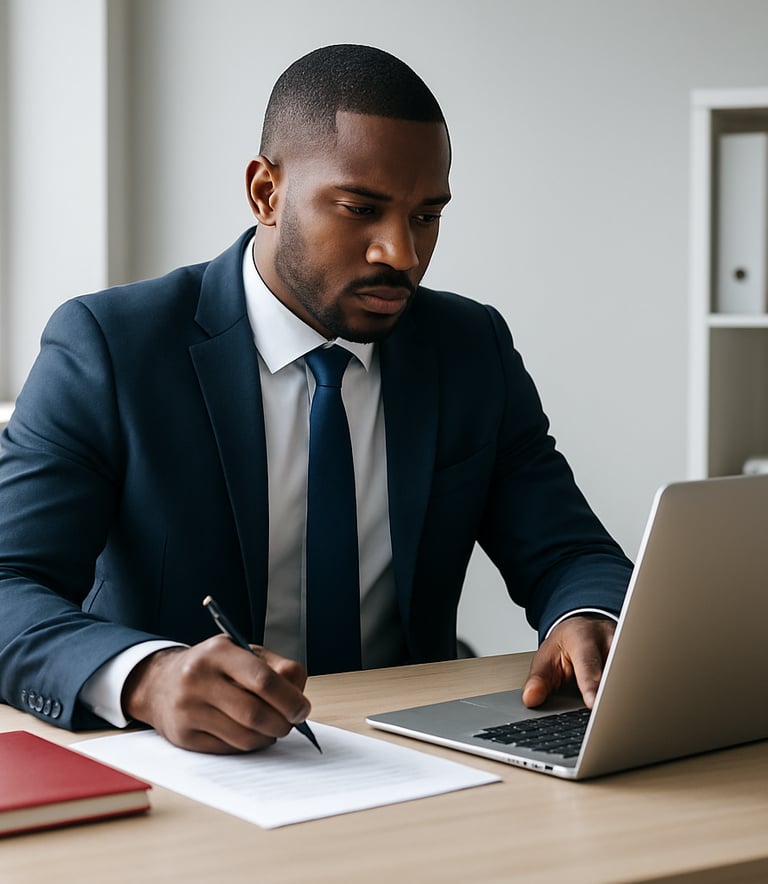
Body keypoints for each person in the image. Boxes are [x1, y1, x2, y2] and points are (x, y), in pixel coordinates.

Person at [0, 44, 632, 754]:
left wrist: (587, 616)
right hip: (191, 765)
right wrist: (147, 676)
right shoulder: (110, 347)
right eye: (362, 209)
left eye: (427, 216)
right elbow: (7, 581)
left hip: (415, 752)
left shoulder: (468, 348)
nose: (402, 253)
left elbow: (569, 551)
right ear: (266, 193)